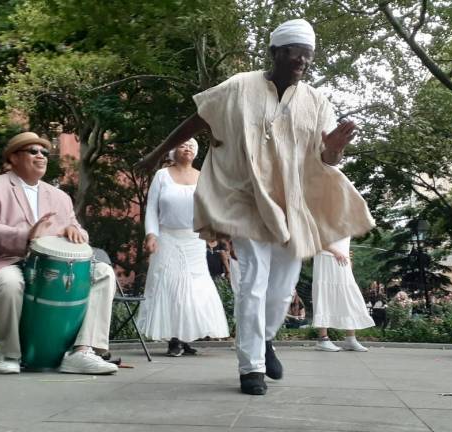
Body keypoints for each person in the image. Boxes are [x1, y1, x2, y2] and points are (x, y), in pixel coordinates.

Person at [135, 19, 374, 395]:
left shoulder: (316, 101)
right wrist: (155, 154)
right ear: (276, 52)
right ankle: (251, 368)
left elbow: (326, 158)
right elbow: (197, 120)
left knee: (281, 290)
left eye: (308, 56)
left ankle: (264, 339)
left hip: (293, 206)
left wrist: (336, 149)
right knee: (253, 282)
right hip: (244, 199)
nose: (302, 61)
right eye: (295, 53)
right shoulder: (239, 87)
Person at [0, 131, 118, 375]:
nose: (41, 156)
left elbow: (77, 228)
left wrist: (74, 231)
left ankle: (82, 351)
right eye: (33, 151)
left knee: (104, 273)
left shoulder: (59, 196)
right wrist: (26, 235)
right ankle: (10, 354)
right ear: (14, 158)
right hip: (4, 261)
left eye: (45, 152)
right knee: (9, 281)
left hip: (51, 267)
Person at [136, 138, 229, 357]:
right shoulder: (162, 176)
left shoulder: (202, 176)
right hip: (167, 238)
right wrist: (151, 234)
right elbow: (151, 209)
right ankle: (174, 340)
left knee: (194, 289)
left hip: (194, 240)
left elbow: (210, 208)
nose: (186, 148)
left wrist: (213, 232)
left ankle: (186, 337)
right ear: (172, 152)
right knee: (171, 287)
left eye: (191, 146)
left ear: (195, 152)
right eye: (182, 145)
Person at [312, 237, 374, 352]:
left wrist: (348, 258)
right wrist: (335, 252)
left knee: (348, 296)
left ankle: (350, 339)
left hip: (341, 258)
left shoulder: (346, 220)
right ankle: (322, 339)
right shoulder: (325, 218)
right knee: (325, 296)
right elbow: (317, 238)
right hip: (326, 257)